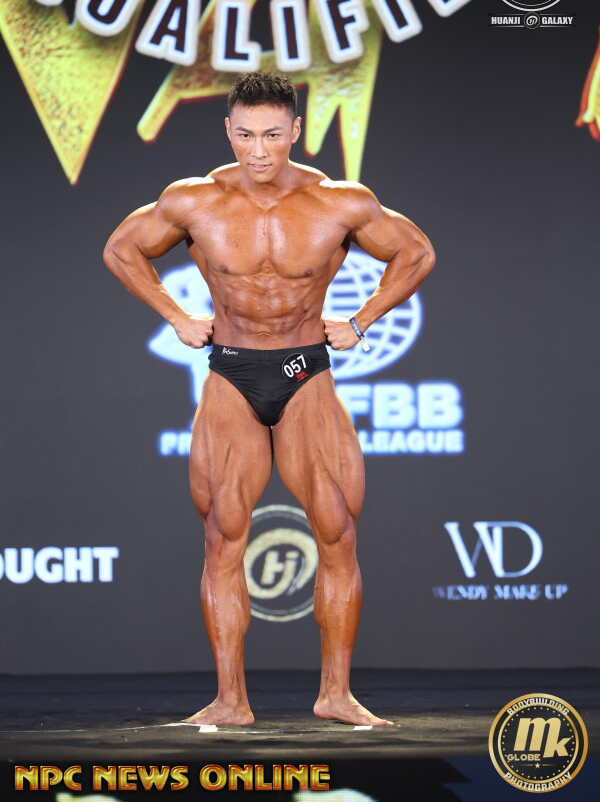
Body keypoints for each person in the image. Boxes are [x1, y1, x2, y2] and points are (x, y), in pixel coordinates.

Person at [103, 70, 435, 727]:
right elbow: (121, 249)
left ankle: (336, 695)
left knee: (337, 530)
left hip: (306, 371)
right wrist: (174, 314)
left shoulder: (339, 202)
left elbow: (416, 253)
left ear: (296, 131)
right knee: (222, 534)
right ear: (228, 130)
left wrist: (362, 319)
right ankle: (231, 701)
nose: (259, 150)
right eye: (247, 135)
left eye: (274, 135)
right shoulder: (194, 200)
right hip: (232, 373)